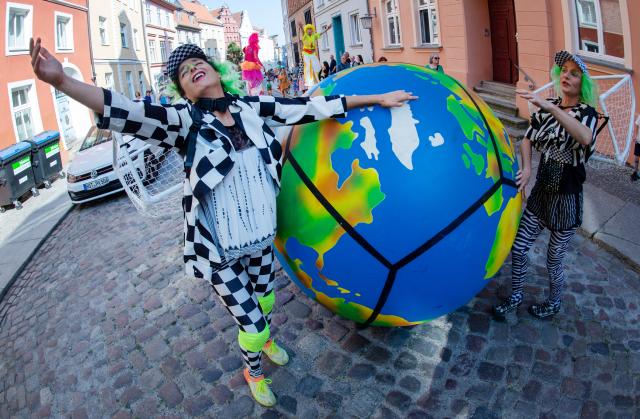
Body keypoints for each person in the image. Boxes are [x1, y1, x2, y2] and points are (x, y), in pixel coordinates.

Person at [29, 38, 417, 406]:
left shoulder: (251, 107)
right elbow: (127, 112)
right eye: (183, 71)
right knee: (254, 321)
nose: (193, 67)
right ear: (184, 91)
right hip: (218, 249)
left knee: (265, 299)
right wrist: (63, 81)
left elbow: (311, 106)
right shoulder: (184, 121)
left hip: (262, 237)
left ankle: (262, 341)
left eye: (198, 61)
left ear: (215, 69)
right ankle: (253, 371)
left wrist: (379, 98)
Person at [493, 51, 601, 320]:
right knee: (518, 249)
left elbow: (585, 138)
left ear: (583, 83)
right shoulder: (549, 106)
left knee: (554, 260)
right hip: (541, 193)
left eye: (574, 73)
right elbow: (528, 139)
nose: (566, 75)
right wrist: (527, 168)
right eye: (564, 70)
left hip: (566, 198)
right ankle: (516, 295)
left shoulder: (587, 114)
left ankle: (553, 303)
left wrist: (553, 108)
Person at [299, 23, 332, 90]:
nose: (309, 30)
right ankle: (309, 83)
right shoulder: (305, 36)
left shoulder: (314, 36)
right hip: (306, 53)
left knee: (317, 67)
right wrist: (301, 27)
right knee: (308, 68)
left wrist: (327, 29)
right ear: (306, 30)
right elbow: (303, 32)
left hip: (312, 53)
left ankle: (320, 79)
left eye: (311, 29)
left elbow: (320, 33)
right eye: (308, 29)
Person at [630, 115, 639, 181]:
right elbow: (637, 125)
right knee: (636, 157)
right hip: (639, 140)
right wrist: (635, 135)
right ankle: (635, 172)